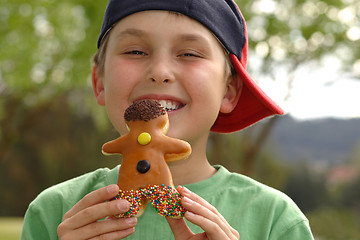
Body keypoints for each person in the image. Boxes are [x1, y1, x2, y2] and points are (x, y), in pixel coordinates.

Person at [21, 0, 314, 239]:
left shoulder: (275, 220)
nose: (159, 71)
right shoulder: (54, 212)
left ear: (229, 90)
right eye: (135, 51)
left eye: (189, 53)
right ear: (100, 83)